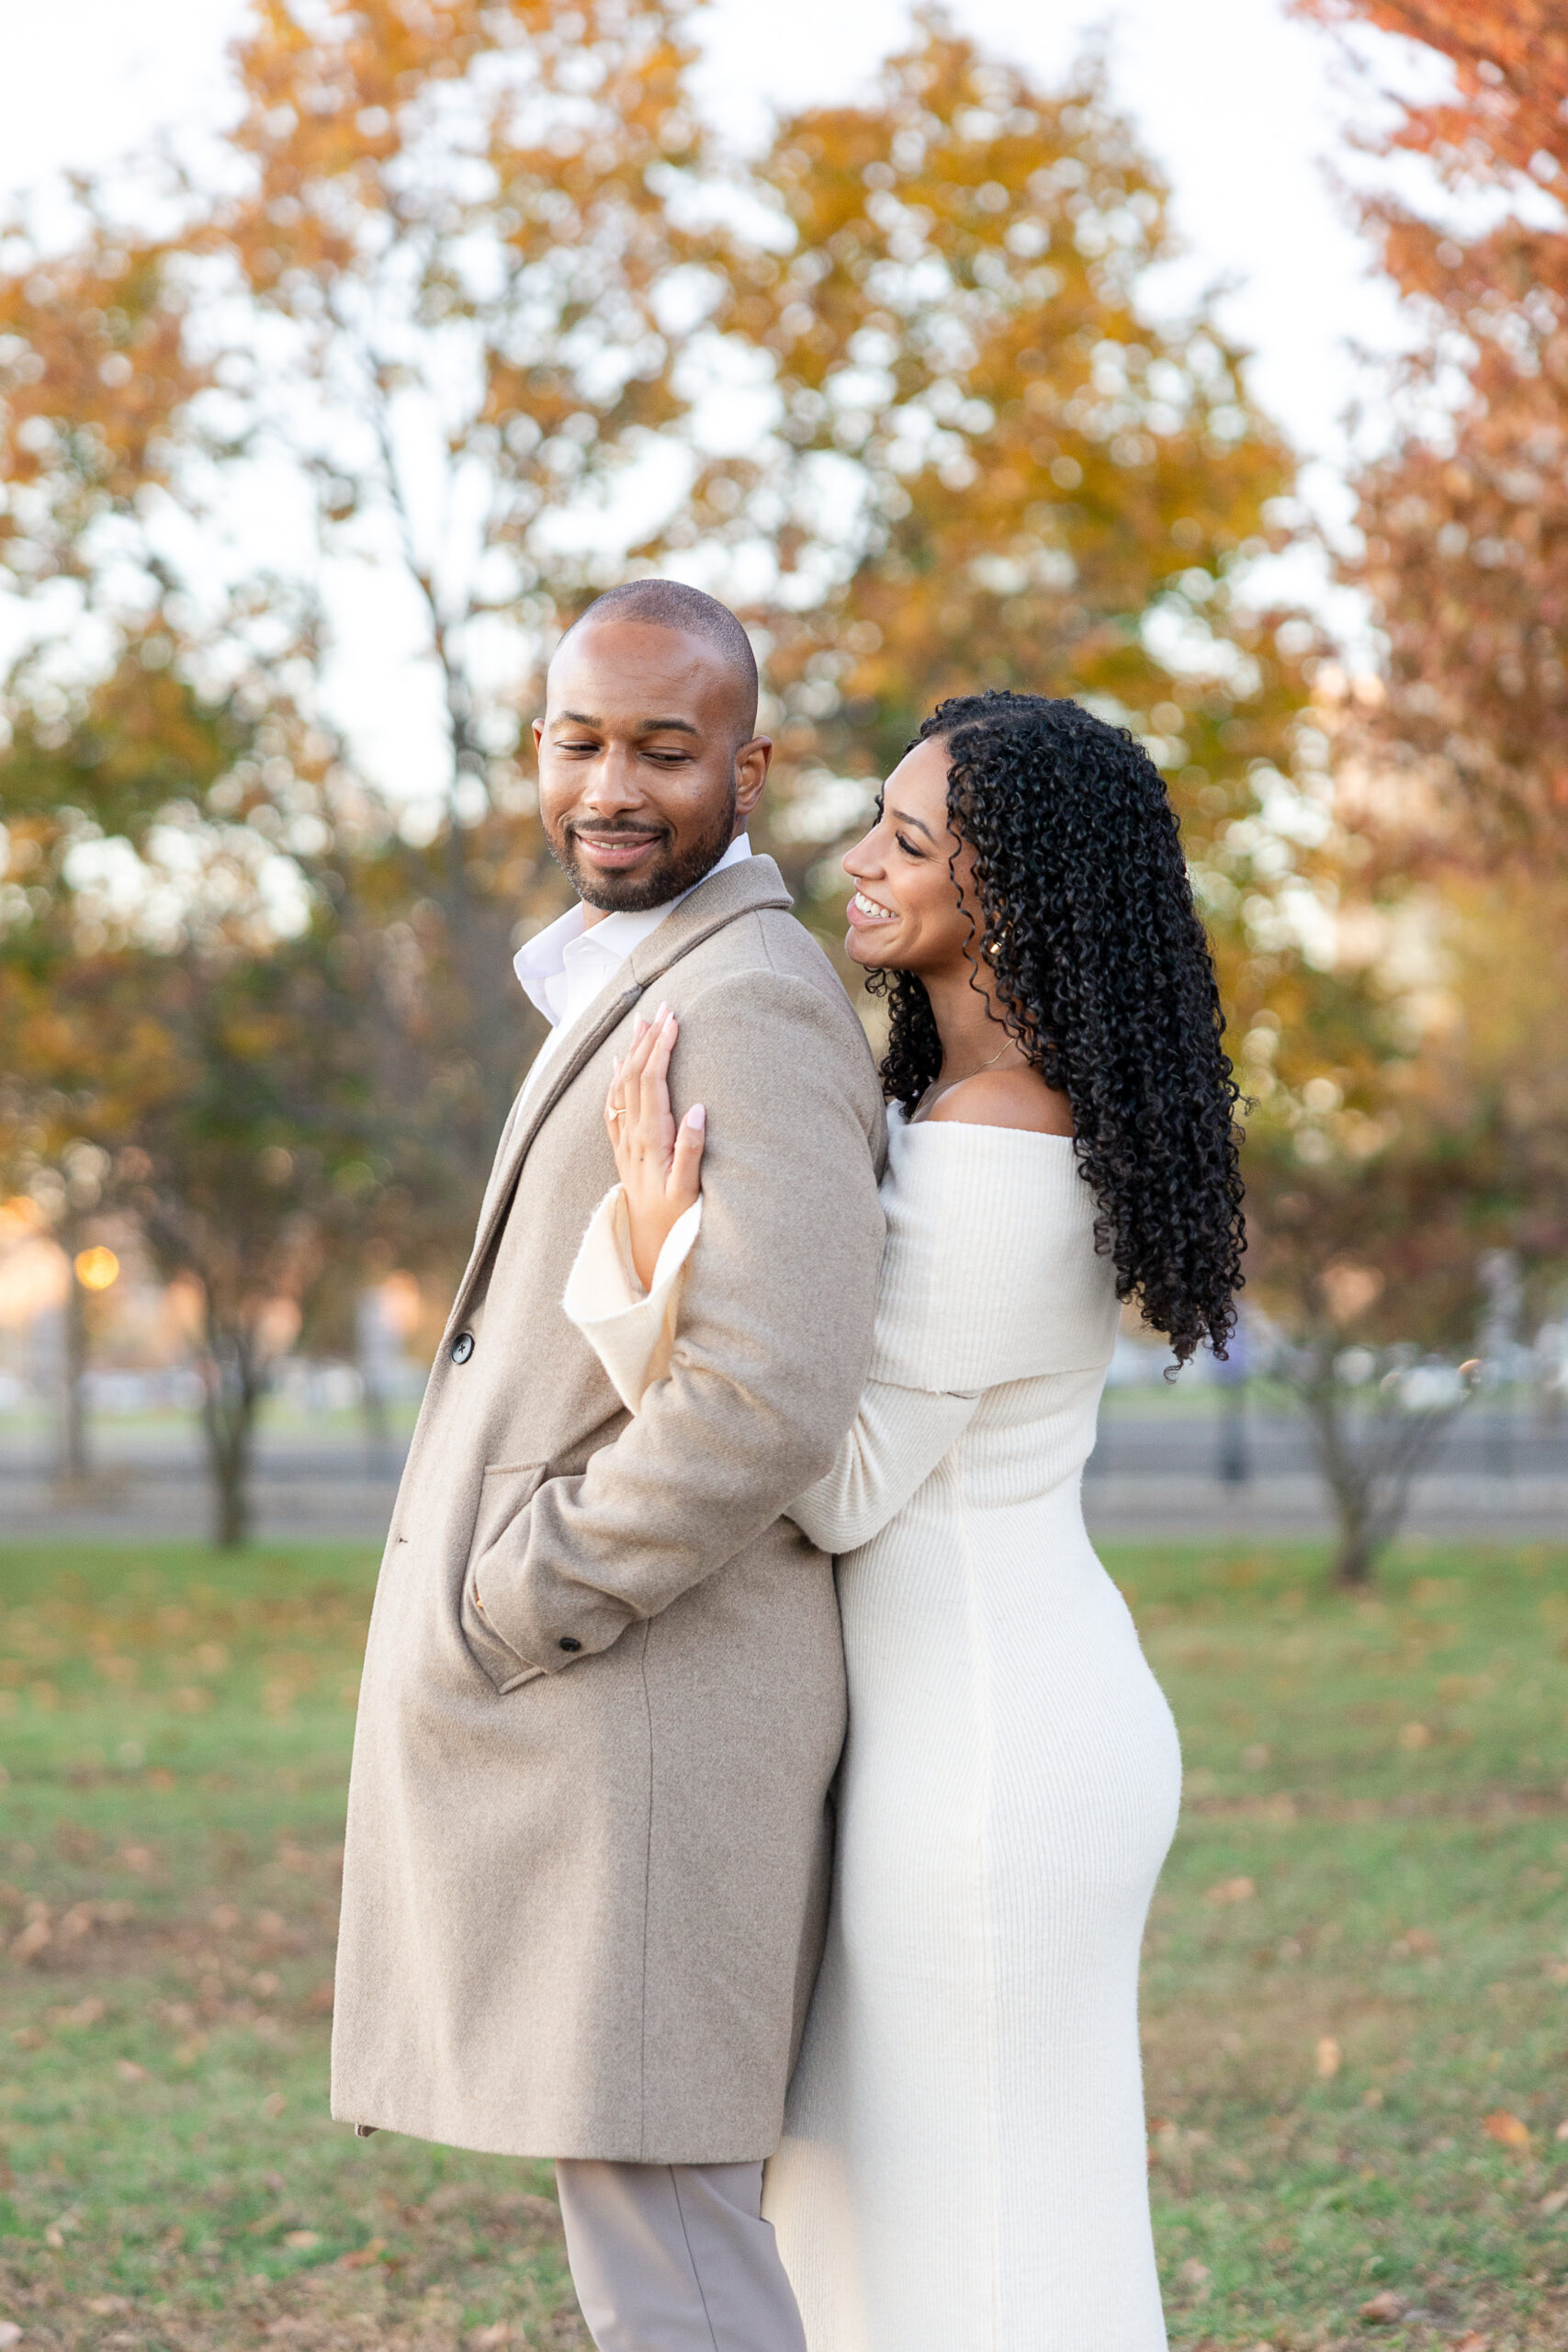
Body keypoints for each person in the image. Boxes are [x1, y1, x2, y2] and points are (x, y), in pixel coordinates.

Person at [566, 691, 1246, 2352]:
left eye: (910, 843)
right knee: (938, 2221)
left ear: (1007, 896)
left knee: (991, 2250)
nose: (856, 861)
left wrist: (671, 1262)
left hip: (990, 1757)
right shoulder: (988, 1107)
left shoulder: (991, 1140)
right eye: (875, 818)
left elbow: (844, 1479)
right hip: (990, 1724)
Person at [331, 579, 888, 2352]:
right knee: (647, 2243)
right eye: (582, 742)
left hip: (646, 1716)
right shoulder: (642, 970)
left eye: (668, 747)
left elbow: (766, 1395)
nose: (613, 786)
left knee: (676, 2269)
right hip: (609, 1720)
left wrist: (524, 1592)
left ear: (751, 762)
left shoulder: (752, 998)